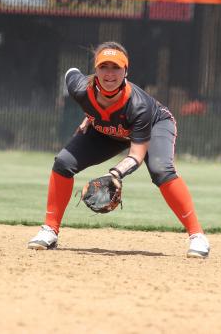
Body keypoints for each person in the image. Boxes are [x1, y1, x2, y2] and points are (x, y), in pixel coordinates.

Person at [28, 41, 210, 258]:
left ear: (126, 71)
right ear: (95, 70)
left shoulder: (138, 105)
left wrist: (114, 174)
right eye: (104, 66)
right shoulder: (80, 89)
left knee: (161, 170)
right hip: (109, 129)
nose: (110, 73)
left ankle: (197, 236)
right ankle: (49, 229)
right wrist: (90, 114)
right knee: (63, 163)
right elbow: (71, 72)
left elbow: (136, 155)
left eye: (116, 67)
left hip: (154, 124)